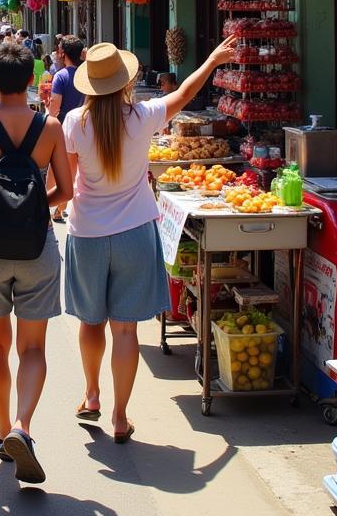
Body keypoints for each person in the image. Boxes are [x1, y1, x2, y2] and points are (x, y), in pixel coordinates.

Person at [63, 37, 237, 441]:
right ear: (125, 82)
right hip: (136, 232)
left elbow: (71, 181)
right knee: (125, 331)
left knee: (91, 323)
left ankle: (92, 396)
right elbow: (185, 92)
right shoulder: (143, 116)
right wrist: (211, 59)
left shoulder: (75, 122)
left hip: (87, 232)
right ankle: (120, 417)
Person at [0, 43, 72, 484]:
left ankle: (4, 431)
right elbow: (67, 189)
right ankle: (24, 424)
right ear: (30, 81)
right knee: (34, 348)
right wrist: (36, 207)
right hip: (38, 246)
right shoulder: (52, 128)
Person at [47, 36, 85, 223]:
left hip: (62, 128)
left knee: (55, 170)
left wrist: (49, 119)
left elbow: (55, 105)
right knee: (74, 171)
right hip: (85, 127)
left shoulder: (61, 76)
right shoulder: (85, 76)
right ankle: (60, 208)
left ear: (63, 53)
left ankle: (53, 207)